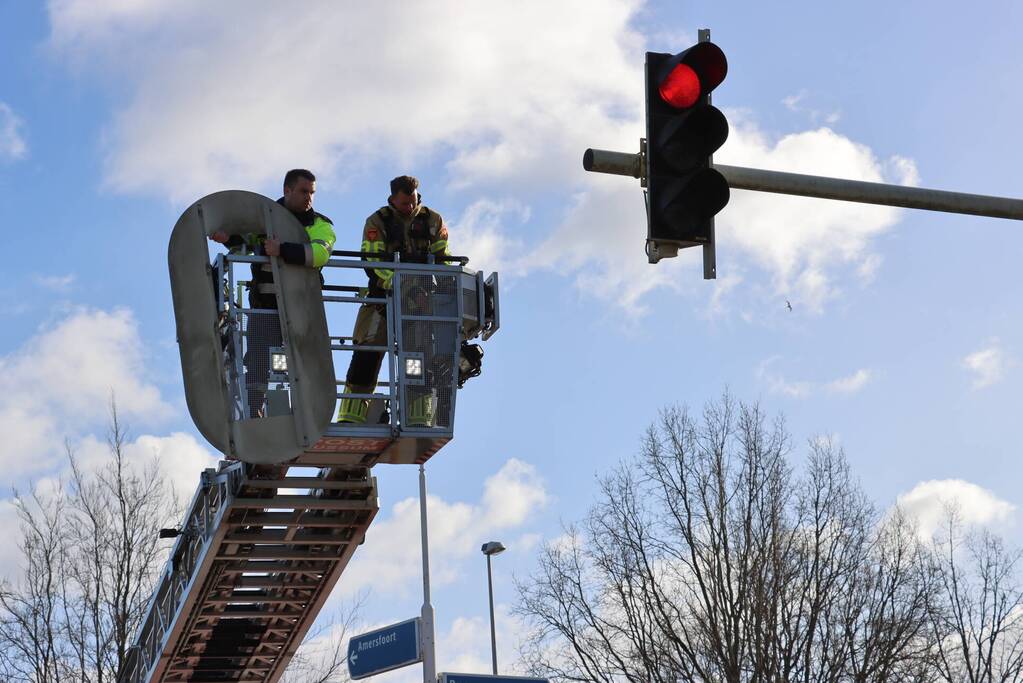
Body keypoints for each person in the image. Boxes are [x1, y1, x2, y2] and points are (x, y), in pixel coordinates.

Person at [210, 169, 336, 418]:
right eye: (303, 191)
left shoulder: (321, 224)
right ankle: (253, 411)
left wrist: (282, 250)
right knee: (257, 361)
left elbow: (319, 253)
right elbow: (243, 243)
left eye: (312, 193)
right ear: (287, 190)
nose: (308, 198)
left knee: (306, 361)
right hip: (265, 304)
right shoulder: (263, 219)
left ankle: (310, 414)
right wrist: (227, 239)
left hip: (301, 306)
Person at [337, 175, 450, 425]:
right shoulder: (377, 221)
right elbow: (372, 262)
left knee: (418, 358)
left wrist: (446, 293)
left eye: (412, 202)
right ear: (392, 199)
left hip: (420, 304)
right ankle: (351, 416)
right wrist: (400, 285)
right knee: (367, 351)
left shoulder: (433, 220)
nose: (409, 208)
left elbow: (443, 259)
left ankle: (417, 416)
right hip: (382, 299)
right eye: (403, 204)